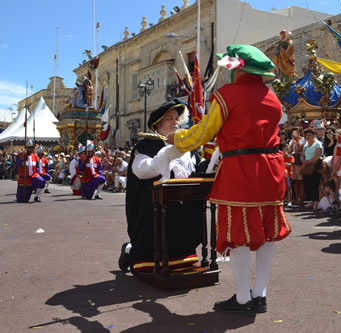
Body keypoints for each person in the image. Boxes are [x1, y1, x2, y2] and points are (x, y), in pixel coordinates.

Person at [166, 45, 291, 316]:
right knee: (267, 231)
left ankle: (244, 298)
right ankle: (261, 294)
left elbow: (203, 133)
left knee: (239, 236)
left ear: (238, 68)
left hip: (241, 169)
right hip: (272, 170)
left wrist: (177, 138)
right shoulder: (272, 97)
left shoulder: (226, 95)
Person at [118, 99, 204, 278]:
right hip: (154, 209)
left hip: (183, 208)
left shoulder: (189, 149)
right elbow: (144, 170)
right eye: (169, 119)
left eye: (176, 119)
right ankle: (129, 250)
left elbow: (198, 169)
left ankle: (182, 256)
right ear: (158, 124)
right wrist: (169, 153)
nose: (175, 123)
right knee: (149, 241)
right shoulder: (146, 146)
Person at [301, 128, 323, 210]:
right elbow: (302, 155)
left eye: (310, 135)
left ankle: (316, 202)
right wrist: (303, 160)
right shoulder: (306, 145)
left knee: (315, 184)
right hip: (306, 166)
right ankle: (311, 201)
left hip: (314, 166)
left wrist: (308, 162)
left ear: (314, 135)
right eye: (306, 135)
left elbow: (317, 156)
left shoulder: (318, 144)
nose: (308, 136)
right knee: (307, 184)